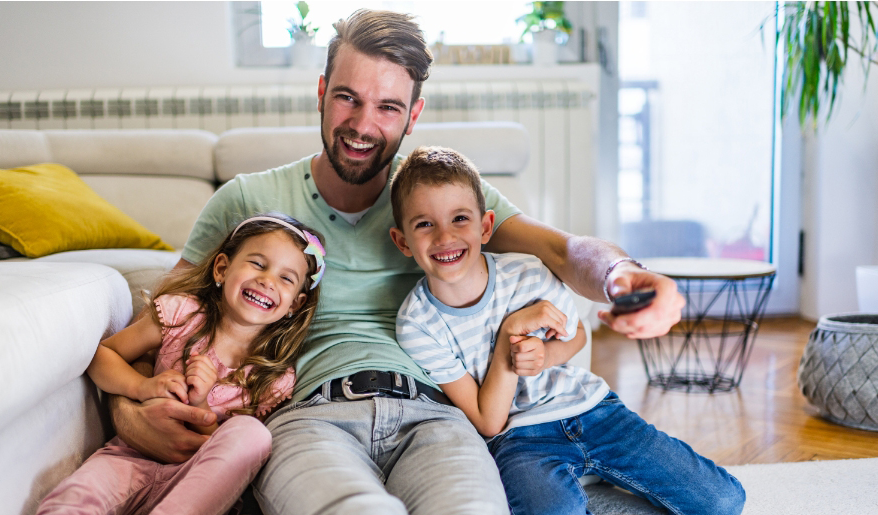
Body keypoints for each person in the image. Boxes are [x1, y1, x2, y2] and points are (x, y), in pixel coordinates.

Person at [109, 9, 686, 514]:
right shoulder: (244, 201)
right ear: (320, 91)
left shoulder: (438, 203)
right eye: (347, 98)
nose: (363, 125)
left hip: (438, 414)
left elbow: (561, 249)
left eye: (388, 106)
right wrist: (131, 416)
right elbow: (164, 326)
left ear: (414, 115)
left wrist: (620, 276)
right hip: (308, 415)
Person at [389, 146, 745, 515]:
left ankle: (597, 483)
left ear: (485, 226)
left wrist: (544, 357)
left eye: (459, 218)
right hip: (519, 440)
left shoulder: (527, 272)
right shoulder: (417, 323)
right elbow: (489, 421)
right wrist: (510, 339)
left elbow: (576, 336)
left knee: (723, 501)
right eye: (425, 224)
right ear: (403, 241)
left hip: (593, 409)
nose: (445, 237)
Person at [37, 213, 326, 515]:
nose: (267, 281)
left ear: (295, 303)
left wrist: (201, 404)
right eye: (258, 263)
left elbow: (235, 454)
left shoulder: (274, 377)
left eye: (286, 278)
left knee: (253, 434)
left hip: (201, 484)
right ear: (222, 268)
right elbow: (104, 355)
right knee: (71, 502)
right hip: (128, 459)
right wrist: (143, 386)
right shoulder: (181, 315)